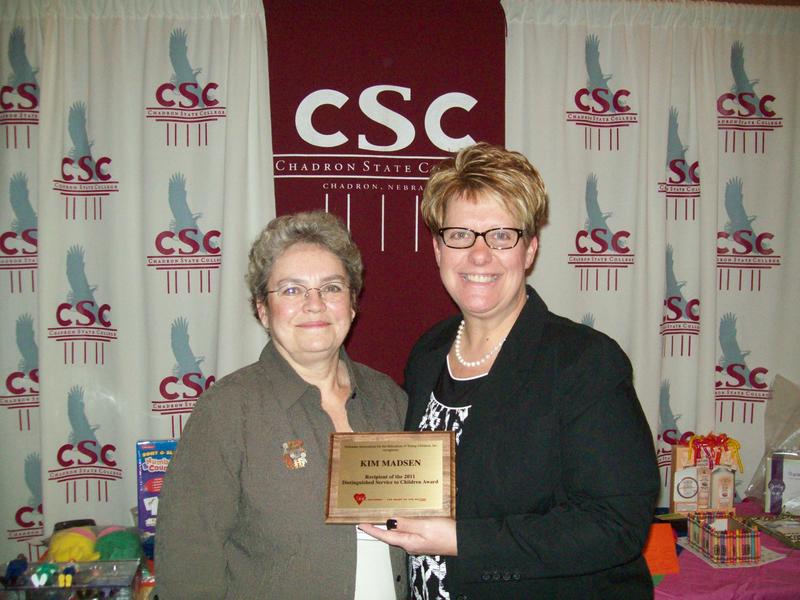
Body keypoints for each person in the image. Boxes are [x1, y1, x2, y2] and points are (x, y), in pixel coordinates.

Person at [360, 143, 660, 599]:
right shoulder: (428, 354)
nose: (479, 255)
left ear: (530, 249)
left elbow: (616, 525)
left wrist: (458, 540)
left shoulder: (584, 362)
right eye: (460, 234)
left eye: (501, 235)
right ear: (439, 248)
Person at [155, 211, 408, 599]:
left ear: (352, 304)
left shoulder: (388, 399)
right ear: (262, 309)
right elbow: (188, 565)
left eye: (331, 288)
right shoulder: (226, 412)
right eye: (291, 290)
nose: (314, 304)